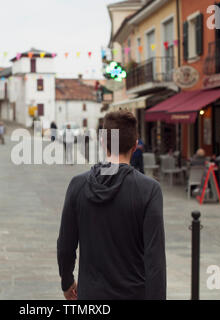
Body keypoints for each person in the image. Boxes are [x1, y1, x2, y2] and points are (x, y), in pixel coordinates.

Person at [57, 110, 166, 300]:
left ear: (102, 142)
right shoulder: (149, 190)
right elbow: (155, 260)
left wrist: (67, 283)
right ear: (135, 144)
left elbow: (66, 246)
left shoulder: (78, 185)